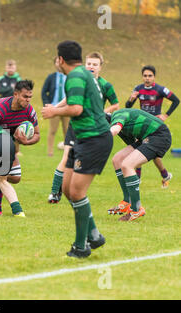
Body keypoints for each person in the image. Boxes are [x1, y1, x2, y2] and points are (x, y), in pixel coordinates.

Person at [42, 41, 112, 259]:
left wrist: (54, 111)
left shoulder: (75, 77)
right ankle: (94, 235)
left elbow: (77, 108)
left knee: (77, 192)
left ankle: (81, 246)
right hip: (82, 139)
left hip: (95, 139)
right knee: (66, 189)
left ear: (61, 59)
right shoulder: (83, 73)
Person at [47, 51, 119, 204]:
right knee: (66, 157)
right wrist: (54, 108)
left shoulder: (106, 85)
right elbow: (68, 99)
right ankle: (54, 192)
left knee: (81, 163)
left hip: (93, 129)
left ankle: (77, 192)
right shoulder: (81, 80)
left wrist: (101, 113)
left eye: (95, 64)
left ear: (100, 67)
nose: (91, 67)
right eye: (89, 64)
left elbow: (116, 105)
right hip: (76, 125)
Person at [0, 80, 40, 216]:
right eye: (25, 97)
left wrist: (26, 142)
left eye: (30, 97)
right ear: (16, 94)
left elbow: (37, 134)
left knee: (15, 177)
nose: (28, 100)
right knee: (0, 173)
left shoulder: (29, 111)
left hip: (10, 147)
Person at [108, 109, 172, 221]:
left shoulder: (118, 115)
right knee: (118, 159)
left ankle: (136, 209)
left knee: (127, 165)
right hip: (147, 138)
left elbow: (115, 129)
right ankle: (127, 202)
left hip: (159, 136)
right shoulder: (122, 130)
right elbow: (132, 144)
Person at [125, 65, 179, 188]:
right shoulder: (138, 89)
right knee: (140, 149)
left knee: (149, 152)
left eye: (150, 76)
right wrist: (131, 99)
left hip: (156, 127)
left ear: (154, 77)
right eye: (145, 76)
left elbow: (176, 100)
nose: (147, 78)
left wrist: (165, 115)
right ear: (142, 77)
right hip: (142, 125)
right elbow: (128, 106)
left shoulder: (160, 89)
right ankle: (162, 175)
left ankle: (158, 176)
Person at [41, 56, 69, 157]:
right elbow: (44, 92)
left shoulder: (70, 76)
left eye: (60, 62)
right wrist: (47, 105)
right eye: (56, 62)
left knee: (67, 130)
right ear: (55, 64)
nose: (58, 64)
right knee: (52, 130)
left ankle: (68, 152)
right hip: (54, 108)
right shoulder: (51, 77)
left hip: (67, 108)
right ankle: (50, 152)